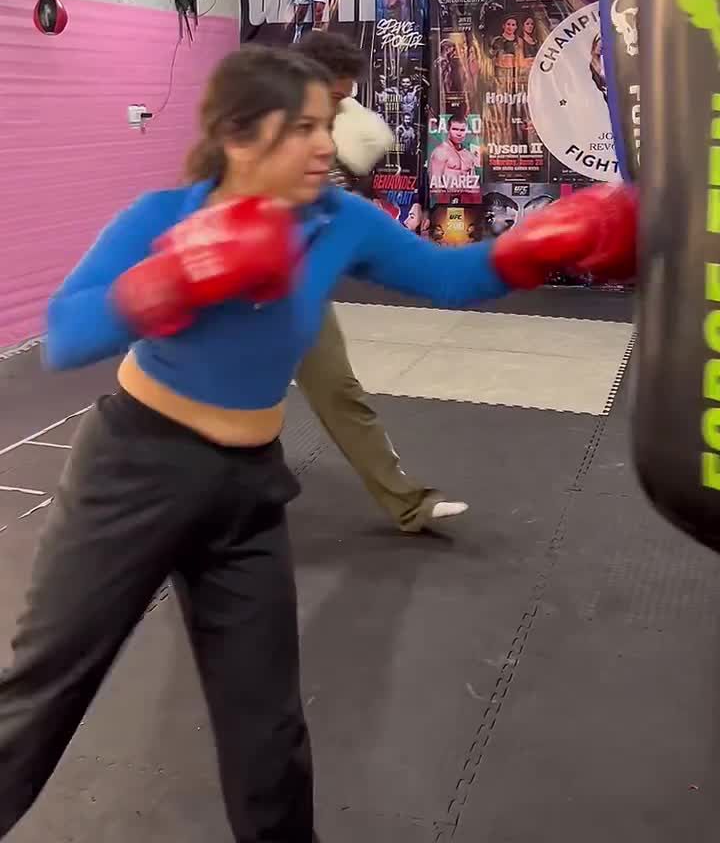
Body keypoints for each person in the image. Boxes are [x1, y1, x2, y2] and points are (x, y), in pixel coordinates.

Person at [0, 44, 636, 842]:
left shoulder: (338, 221)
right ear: (239, 135)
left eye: (324, 123)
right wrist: (173, 278)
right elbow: (66, 333)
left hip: (247, 490)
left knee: (268, 734)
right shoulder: (164, 218)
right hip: (134, 471)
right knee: (44, 693)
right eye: (301, 127)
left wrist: (540, 244)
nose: (323, 145)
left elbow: (450, 278)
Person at [292, 31, 468, 532]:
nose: (341, 107)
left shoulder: (326, 137)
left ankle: (410, 505)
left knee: (340, 391)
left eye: (345, 98)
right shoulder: (254, 130)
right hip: (232, 295)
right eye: (335, 96)